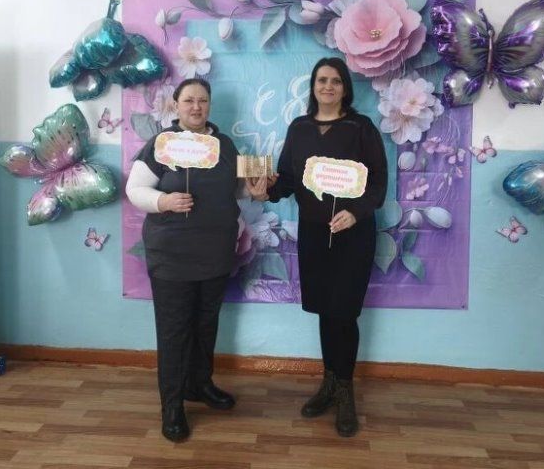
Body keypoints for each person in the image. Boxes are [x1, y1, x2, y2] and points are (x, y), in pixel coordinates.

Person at [248, 57, 387, 437]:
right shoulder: (300, 128)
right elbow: (287, 180)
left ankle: (345, 392)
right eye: (322, 80)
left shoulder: (361, 127)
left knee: (345, 313)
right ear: (313, 86)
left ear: (345, 88)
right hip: (313, 233)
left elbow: (378, 183)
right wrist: (265, 192)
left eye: (336, 81)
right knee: (326, 310)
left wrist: (355, 213)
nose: (328, 86)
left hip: (353, 234)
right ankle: (328, 383)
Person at [125, 77, 239, 442]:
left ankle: (199, 385)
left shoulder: (224, 145)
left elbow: (235, 190)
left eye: (202, 100)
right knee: (174, 331)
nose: (196, 107)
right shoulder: (163, 144)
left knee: (206, 325)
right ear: (176, 105)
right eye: (189, 100)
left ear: (209, 105)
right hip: (172, 256)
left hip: (215, 253)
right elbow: (135, 189)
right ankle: (172, 406)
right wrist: (164, 201)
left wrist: (254, 190)